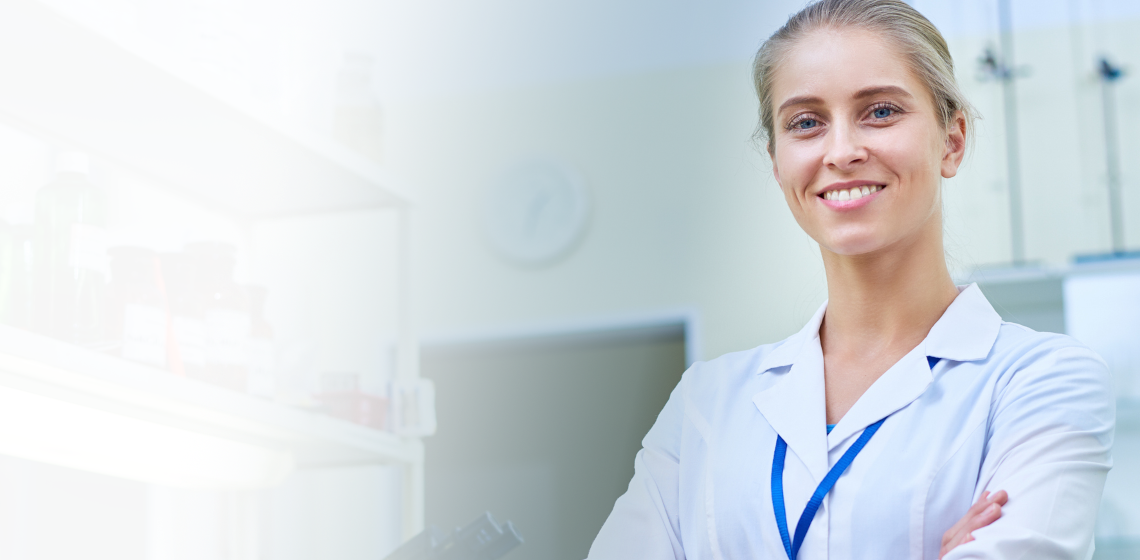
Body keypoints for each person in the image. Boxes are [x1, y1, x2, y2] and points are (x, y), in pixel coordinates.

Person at [585, 0, 1114, 558]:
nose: (841, 152)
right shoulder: (706, 405)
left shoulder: (1041, 383)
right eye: (806, 123)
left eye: (880, 111)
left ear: (953, 141)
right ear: (777, 160)